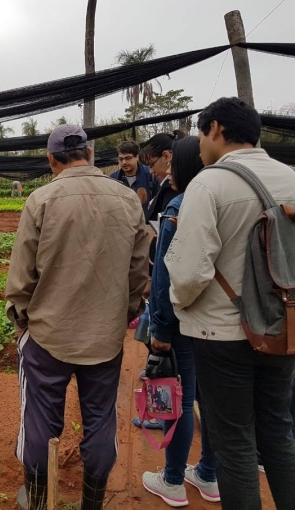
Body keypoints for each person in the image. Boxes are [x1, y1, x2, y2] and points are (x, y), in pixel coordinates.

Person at [7, 125, 150, 510]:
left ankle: (39, 500)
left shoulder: (41, 200)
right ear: (90, 154)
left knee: (39, 421)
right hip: (104, 338)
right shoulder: (126, 199)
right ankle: (92, 503)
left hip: (49, 336)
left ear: (51, 160)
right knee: (101, 420)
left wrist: (23, 323)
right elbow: (139, 274)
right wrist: (124, 316)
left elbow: (22, 278)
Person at [166, 97, 295, 509]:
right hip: (281, 327)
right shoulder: (290, 177)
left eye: (202, 134)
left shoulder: (209, 183)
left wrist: (177, 302)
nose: (201, 144)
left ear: (216, 128)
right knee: (277, 429)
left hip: (222, 335)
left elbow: (189, 275)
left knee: (232, 440)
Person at [140, 135, 219, 507]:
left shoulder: (178, 206)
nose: (168, 169)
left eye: (174, 164)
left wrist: (161, 330)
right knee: (214, 400)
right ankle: (208, 475)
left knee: (180, 401)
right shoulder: (223, 200)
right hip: (222, 324)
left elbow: (165, 280)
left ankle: (172, 481)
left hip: (185, 321)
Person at [141, 132, 179, 224]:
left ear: (166, 156)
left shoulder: (173, 190)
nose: (151, 171)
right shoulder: (163, 186)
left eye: (151, 164)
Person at [110, 140, 152, 210]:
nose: (124, 162)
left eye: (128, 158)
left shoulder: (151, 175)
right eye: (121, 159)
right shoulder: (113, 179)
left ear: (137, 157)